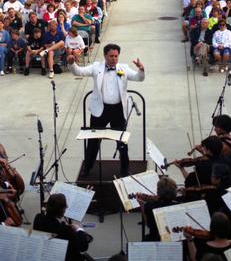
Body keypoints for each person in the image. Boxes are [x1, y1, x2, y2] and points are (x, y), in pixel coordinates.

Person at [68, 43, 145, 177]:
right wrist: (72, 64)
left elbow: (139, 78)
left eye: (116, 56)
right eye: (111, 56)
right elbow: (79, 72)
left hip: (118, 110)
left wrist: (141, 69)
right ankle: (87, 167)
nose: (114, 59)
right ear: (105, 56)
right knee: (93, 141)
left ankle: (125, 169)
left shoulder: (124, 68)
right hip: (100, 110)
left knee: (122, 142)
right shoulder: (96, 67)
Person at [33, 193, 93, 261]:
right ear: (63, 210)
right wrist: (79, 229)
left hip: (44, 253)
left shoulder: (38, 218)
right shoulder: (65, 230)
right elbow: (83, 247)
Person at [137, 176, 178, 241]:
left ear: (158, 191)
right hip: (176, 238)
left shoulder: (150, 206)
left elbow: (148, 224)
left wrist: (142, 205)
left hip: (156, 238)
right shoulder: (179, 205)